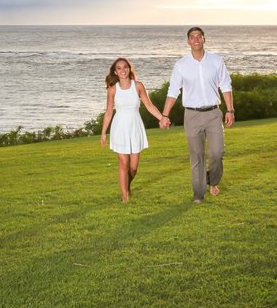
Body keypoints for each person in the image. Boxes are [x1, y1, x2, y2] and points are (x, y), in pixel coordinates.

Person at [160, 27, 235, 203]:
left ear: (203, 39)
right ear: (188, 41)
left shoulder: (216, 61)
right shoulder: (181, 65)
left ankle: (213, 181)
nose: (195, 39)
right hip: (192, 115)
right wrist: (165, 115)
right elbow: (173, 90)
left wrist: (230, 110)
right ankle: (198, 193)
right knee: (197, 156)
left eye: (198, 36)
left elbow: (226, 85)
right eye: (192, 37)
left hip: (213, 114)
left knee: (217, 152)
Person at [100, 57, 166, 202]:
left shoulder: (138, 86)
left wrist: (162, 118)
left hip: (135, 126)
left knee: (134, 167)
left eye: (125, 67)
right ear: (115, 72)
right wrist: (104, 132)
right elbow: (109, 112)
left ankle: (126, 186)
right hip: (119, 128)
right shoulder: (112, 90)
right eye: (119, 68)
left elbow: (149, 105)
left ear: (129, 69)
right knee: (123, 164)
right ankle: (125, 197)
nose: (122, 70)